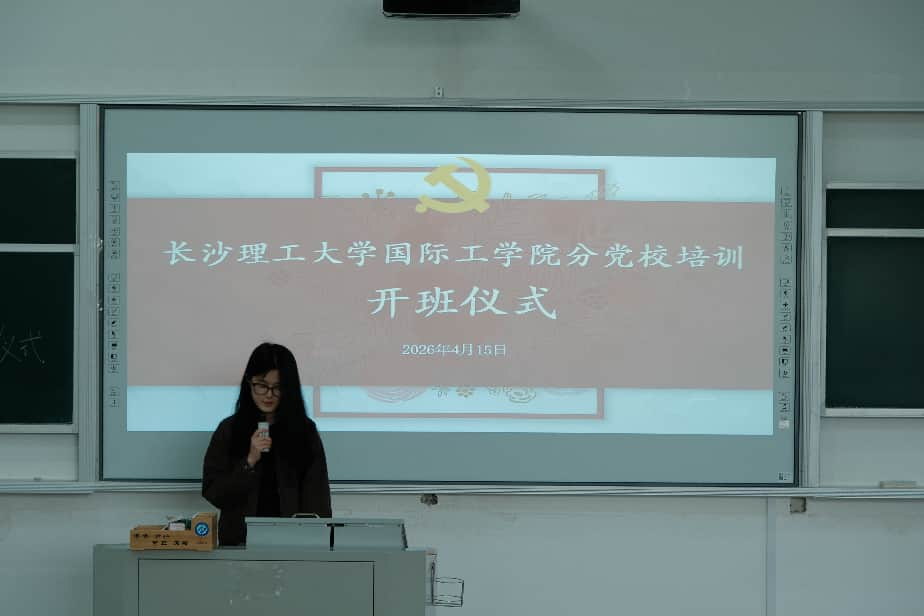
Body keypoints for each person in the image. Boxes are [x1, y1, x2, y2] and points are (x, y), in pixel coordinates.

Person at [202, 342, 332, 546]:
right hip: (240, 543)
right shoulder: (230, 429)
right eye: (261, 385)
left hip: (293, 545)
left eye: (277, 387)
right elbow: (214, 492)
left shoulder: (305, 432)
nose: (269, 394)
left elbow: (318, 498)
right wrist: (249, 462)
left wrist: (317, 544)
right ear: (249, 383)